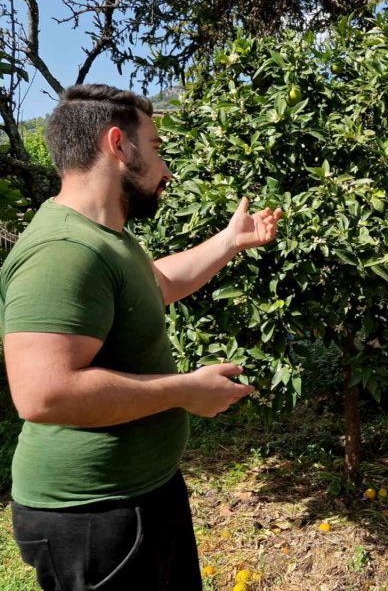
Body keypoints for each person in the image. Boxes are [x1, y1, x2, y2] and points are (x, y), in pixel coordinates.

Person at [0, 84, 283, 591]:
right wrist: (185, 391)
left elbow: (158, 285)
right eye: (155, 146)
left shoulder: (104, 237)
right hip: (93, 517)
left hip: (139, 496)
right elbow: (43, 393)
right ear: (118, 144)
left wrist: (230, 240)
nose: (166, 168)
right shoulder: (63, 250)